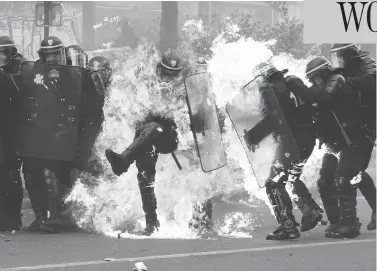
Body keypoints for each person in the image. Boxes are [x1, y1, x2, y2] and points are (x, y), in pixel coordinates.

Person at [19, 36, 98, 233]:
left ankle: (53, 217)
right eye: (49, 54)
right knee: (29, 172)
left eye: (56, 53)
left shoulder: (77, 73)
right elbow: (26, 94)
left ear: (62, 53)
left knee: (48, 171)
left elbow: (89, 103)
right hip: (37, 128)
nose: (53, 58)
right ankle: (39, 218)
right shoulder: (35, 71)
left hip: (64, 130)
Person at [105, 51, 183, 235]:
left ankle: (123, 160)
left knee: (155, 126)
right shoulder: (147, 87)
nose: (168, 78)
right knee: (145, 175)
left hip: (169, 136)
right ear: (159, 71)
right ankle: (152, 222)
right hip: (146, 138)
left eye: (173, 75)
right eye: (165, 74)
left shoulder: (183, 91)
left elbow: (184, 118)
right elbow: (135, 111)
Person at [243, 63, 323, 240]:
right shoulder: (293, 84)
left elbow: (274, 118)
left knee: (274, 183)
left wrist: (253, 138)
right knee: (290, 176)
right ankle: (310, 210)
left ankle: (287, 226)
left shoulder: (268, 90)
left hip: (290, 141)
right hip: (307, 140)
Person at [303, 56, 372, 238]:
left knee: (343, 178)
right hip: (335, 142)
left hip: (352, 138)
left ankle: (350, 224)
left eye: (314, 78)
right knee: (325, 179)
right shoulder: (320, 90)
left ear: (322, 73)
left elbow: (325, 98)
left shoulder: (337, 81)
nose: (313, 83)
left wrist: (300, 88)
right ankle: (337, 220)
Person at [329, 44, 376, 231]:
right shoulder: (345, 72)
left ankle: (349, 223)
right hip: (352, 132)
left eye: (339, 56)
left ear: (348, 54)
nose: (338, 60)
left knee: (346, 174)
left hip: (364, 130)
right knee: (354, 173)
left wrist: (349, 81)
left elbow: (373, 83)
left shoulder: (368, 65)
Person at [0, 36, 25, 231]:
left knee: (10, 176)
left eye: (4, 53)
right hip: (6, 133)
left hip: (11, 134)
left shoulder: (22, 71)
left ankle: (11, 219)